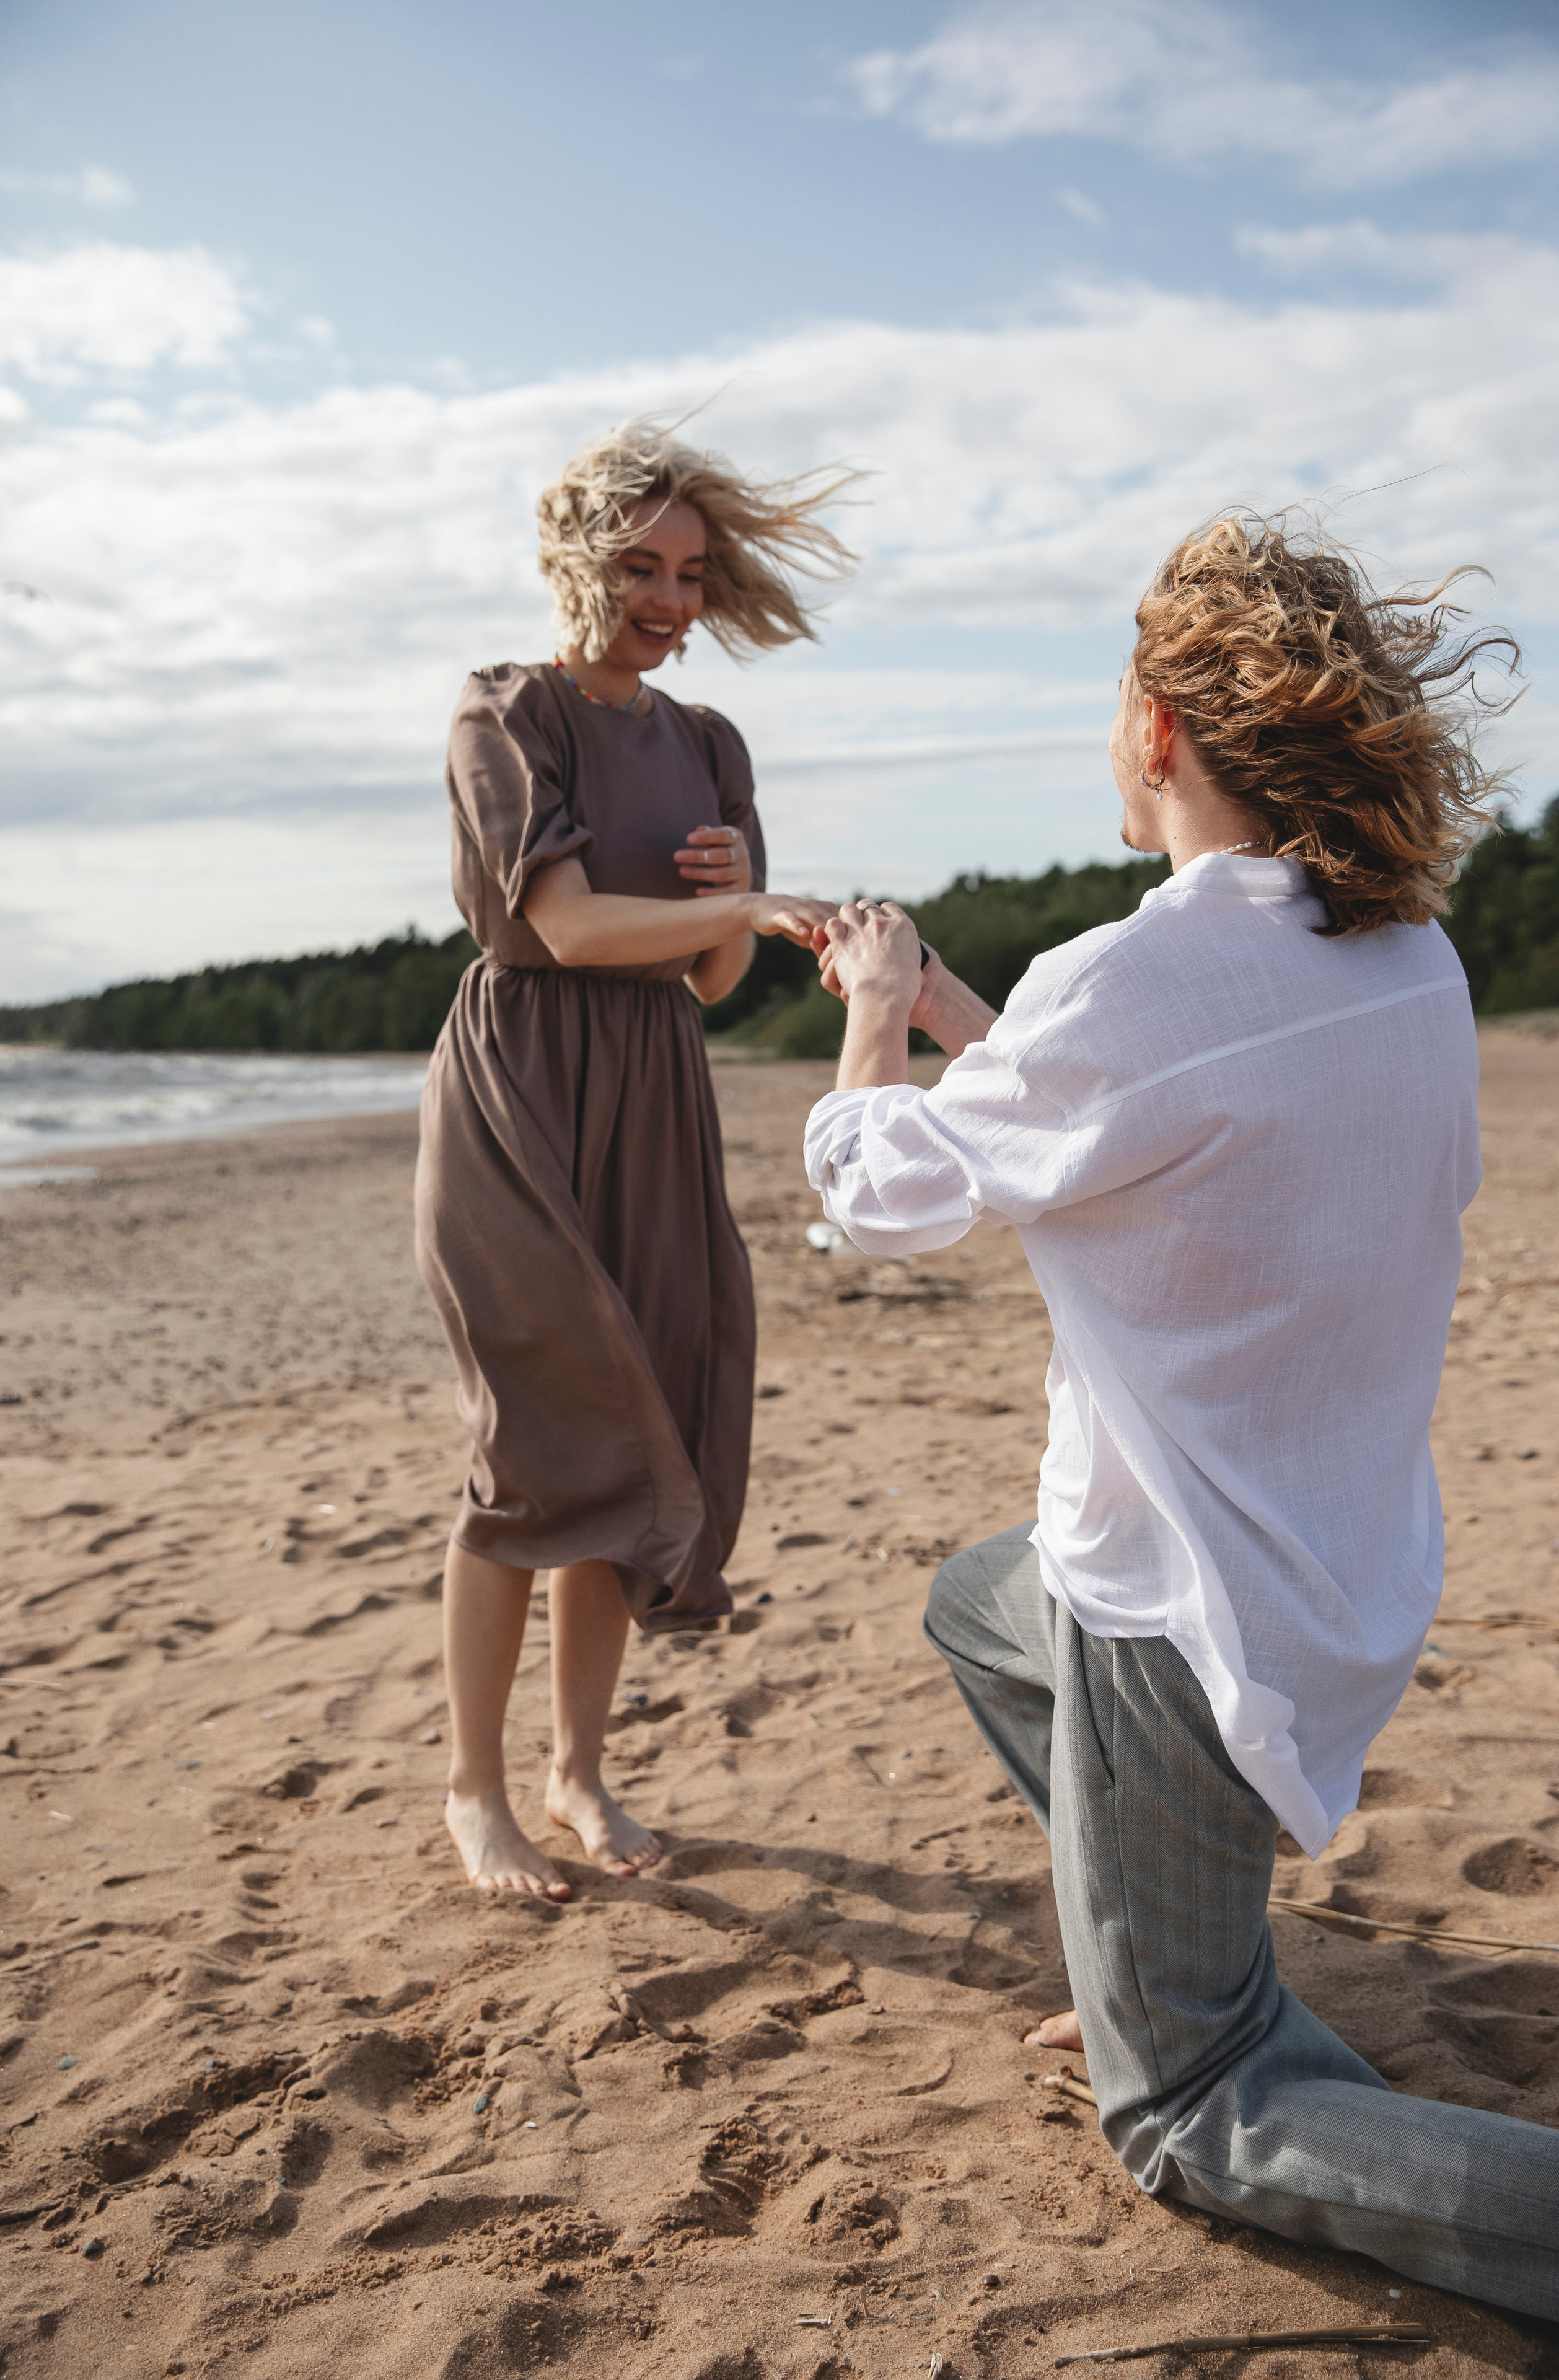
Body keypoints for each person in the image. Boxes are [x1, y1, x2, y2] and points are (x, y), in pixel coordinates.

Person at [805, 517, 1558, 2316]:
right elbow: (1106, 1108)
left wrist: (869, 1016)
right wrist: (946, 1011)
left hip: (1186, 1614)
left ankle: (1196, 2028)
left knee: (1196, 2115)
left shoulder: (1137, 981)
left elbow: (877, 1194)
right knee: (979, 1601)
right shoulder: (1407, 960)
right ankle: (1150, 1944)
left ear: (1157, 727)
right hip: (1335, 1568)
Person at [417, 420, 851, 1902]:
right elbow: (574, 931)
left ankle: (577, 1772)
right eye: (638, 567)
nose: (668, 601)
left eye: (690, 575)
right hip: (525, 1084)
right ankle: (476, 1790)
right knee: (533, 1440)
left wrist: (734, 910)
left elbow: (713, 983)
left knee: (634, 1430)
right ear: (574, 557)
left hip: (656, 1089)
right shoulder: (506, 712)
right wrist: (758, 900)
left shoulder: (711, 744)